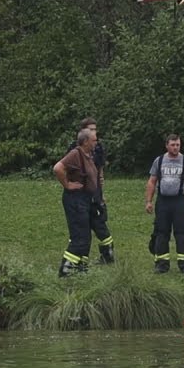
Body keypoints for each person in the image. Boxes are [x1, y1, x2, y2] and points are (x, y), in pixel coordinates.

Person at [54, 128, 114, 275]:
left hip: (86, 199)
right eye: (94, 140)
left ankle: (80, 268)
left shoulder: (89, 155)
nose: (96, 142)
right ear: (86, 141)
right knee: (79, 236)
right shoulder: (76, 153)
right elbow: (58, 168)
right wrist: (67, 184)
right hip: (76, 199)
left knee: (86, 236)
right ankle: (66, 271)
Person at [145, 134, 184, 274]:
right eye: (173, 145)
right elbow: (152, 181)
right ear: (167, 145)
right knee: (161, 231)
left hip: (179, 201)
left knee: (182, 232)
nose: (175, 147)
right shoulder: (159, 160)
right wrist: (149, 201)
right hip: (163, 201)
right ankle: (161, 264)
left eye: (178, 145)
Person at [67, 117, 106, 186]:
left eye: (95, 129)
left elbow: (100, 166)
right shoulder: (74, 148)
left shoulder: (98, 147)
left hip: (94, 185)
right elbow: (64, 168)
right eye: (91, 129)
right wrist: (67, 184)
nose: (94, 132)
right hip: (80, 186)